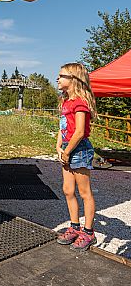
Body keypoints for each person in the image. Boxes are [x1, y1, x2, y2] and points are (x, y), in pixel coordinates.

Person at [56, 62, 97, 251]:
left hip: (78, 149)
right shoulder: (65, 102)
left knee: (84, 192)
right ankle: (74, 226)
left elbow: (80, 131)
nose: (57, 78)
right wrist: (59, 146)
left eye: (61, 75)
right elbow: (63, 127)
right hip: (67, 148)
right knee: (68, 190)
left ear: (74, 79)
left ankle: (88, 232)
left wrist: (67, 151)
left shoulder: (80, 103)